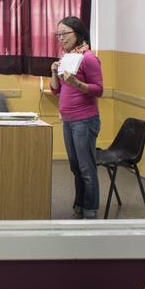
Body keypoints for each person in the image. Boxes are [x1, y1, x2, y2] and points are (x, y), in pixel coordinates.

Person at [49, 16, 104, 220]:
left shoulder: (89, 58)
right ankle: (80, 204)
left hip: (85, 120)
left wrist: (77, 83)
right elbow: (55, 91)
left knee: (86, 167)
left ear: (78, 33)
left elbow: (99, 90)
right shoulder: (66, 58)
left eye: (65, 34)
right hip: (69, 120)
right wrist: (54, 72)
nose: (61, 38)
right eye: (58, 35)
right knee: (75, 166)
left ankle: (90, 209)